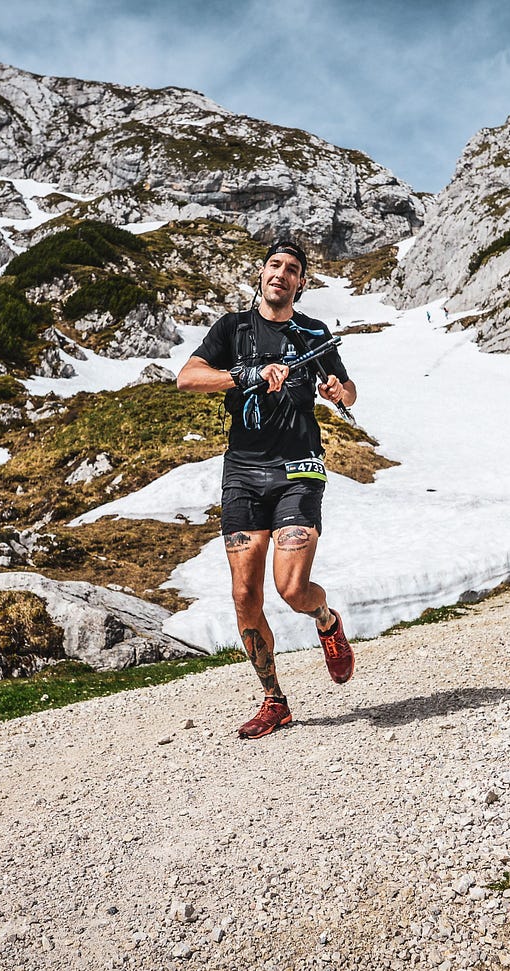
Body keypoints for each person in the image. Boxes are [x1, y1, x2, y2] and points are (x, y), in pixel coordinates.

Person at [176, 239, 358, 739]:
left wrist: (336, 391)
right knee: (243, 595)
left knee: (292, 587)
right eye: (274, 265)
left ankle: (325, 621)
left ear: (301, 283)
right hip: (243, 470)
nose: (281, 273)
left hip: (299, 467)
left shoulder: (312, 334)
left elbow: (349, 390)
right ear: (261, 274)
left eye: (292, 269)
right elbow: (187, 378)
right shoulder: (232, 329)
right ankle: (274, 701)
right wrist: (247, 374)